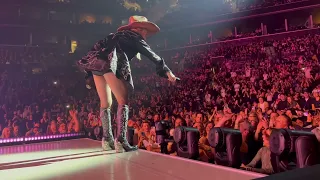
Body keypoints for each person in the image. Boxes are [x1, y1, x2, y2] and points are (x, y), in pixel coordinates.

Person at [77, 16, 178, 153]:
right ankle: (121, 141)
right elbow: (152, 54)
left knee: (105, 103)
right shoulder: (135, 37)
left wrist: (89, 74)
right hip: (110, 63)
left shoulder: (115, 36)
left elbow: (96, 50)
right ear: (139, 29)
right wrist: (167, 71)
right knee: (123, 100)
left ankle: (107, 140)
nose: (146, 34)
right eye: (145, 31)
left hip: (97, 64)